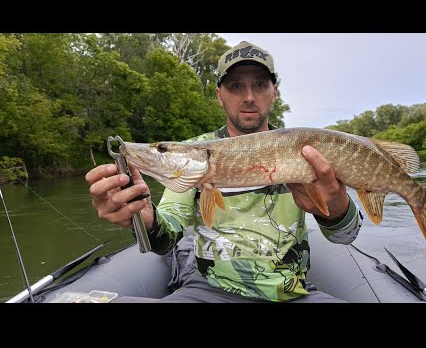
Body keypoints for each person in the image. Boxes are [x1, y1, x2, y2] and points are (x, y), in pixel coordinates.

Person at [85, 41, 363, 303]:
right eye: (236, 86)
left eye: (260, 84)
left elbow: (345, 237)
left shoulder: (303, 149)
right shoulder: (194, 150)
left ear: (274, 92)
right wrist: (143, 217)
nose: (249, 96)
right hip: (209, 290)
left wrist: (337, 208)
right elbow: (167, 236)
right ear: (220, 95)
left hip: (291, 291)